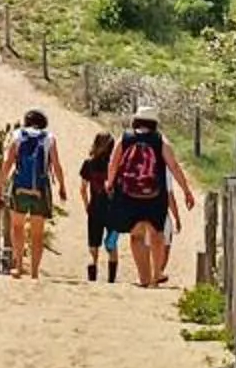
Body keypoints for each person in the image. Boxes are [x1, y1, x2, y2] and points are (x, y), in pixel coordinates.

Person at [110, 103, 195, 288]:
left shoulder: (124, 138)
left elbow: (114, 163)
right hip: (155, 195)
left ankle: (143, 277)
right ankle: (156, 276)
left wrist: (110, 183)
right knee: (157, 234)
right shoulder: (160, 141)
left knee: (136, 235)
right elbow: (174, 166)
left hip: (129, 194)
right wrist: (186, 190)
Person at [0, 109, 63, 279]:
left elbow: (8, 162)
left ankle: (18, 267)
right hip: (40, 188)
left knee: (17, 227)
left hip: (19, 187)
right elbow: (56, 165)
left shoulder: (18, 135)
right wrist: (62, 186)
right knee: (37, 234)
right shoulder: (49, 138)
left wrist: (0, 186)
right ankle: (34, 272)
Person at [77, 129, 126, 283]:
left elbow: (83, 188)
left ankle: (92, 278)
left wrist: (87, 205)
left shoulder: (88, 164)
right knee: (112, 245)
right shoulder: (116, 165)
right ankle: (111, 280)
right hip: (112, 210)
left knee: (93, 247)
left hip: (95, 208)